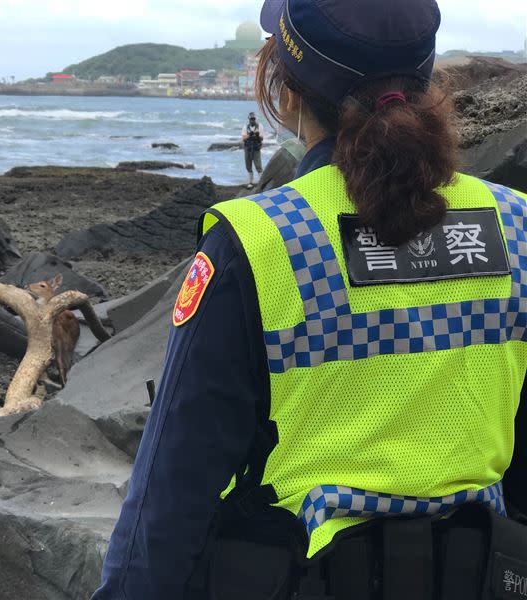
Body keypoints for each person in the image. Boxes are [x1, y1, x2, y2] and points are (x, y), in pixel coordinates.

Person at [91, 0, 526, 599]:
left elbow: (170, 497)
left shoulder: (258, 242)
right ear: (425, 82)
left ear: (286, 92)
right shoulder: (516, 226)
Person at [241, 112, 264, 188]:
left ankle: (261, 181)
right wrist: (250, 134)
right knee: (248, 165)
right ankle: (251, 181)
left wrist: (257, 135)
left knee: (258, 165)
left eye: (253, 119)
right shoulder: (245, 127)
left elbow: (261, 138)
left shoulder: (260, 126)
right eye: (251, 119)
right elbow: (244, 138)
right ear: (249, 119)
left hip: (256, 148)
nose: (252, 120)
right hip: (248, 148)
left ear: (255, 119)